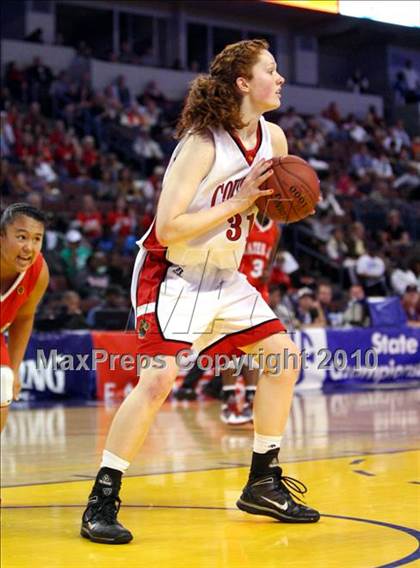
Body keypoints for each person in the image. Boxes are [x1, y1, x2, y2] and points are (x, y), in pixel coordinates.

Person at [81, 38, 319, 545]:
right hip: (172, 273)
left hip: (225, 275)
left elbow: (262, 209)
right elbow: (168, 228)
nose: (279, 79)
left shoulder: (274, 139)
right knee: (158, 380)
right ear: (242, 84)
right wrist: (242, 204)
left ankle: (263, 481)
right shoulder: (201, 144)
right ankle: (102, 496)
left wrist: (282, 203)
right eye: (270, 71)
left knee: (284, 357)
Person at [221, 212, 280, 424]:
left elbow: (271, 258)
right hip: (235, 292)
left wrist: (269, 271)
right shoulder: (244, 222)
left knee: (253, 350)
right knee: (231, 348)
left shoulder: (275, 229)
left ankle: (250, 399)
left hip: (259, 295)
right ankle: (228, 398)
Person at [0, 203, 49, 432]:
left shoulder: (38, 272)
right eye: (21, 237)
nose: (29, 247)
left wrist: (15, 368)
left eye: (37, 239)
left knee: (3, 381)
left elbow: (24, 317)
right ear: (2, 237)